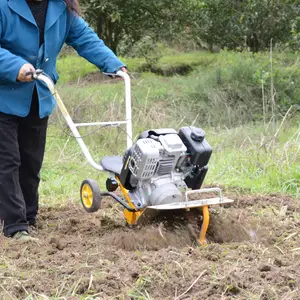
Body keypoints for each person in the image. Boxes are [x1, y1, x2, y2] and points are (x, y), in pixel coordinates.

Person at [0, 0, 127, 241]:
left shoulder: (60, 8)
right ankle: (15, 226)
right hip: (3, 97)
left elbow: (84, 37)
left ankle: (28, 216)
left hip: (38, 95)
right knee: (7, 162)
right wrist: (15, 66)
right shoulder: (4, 6)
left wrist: (113, 64)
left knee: (31, 162)